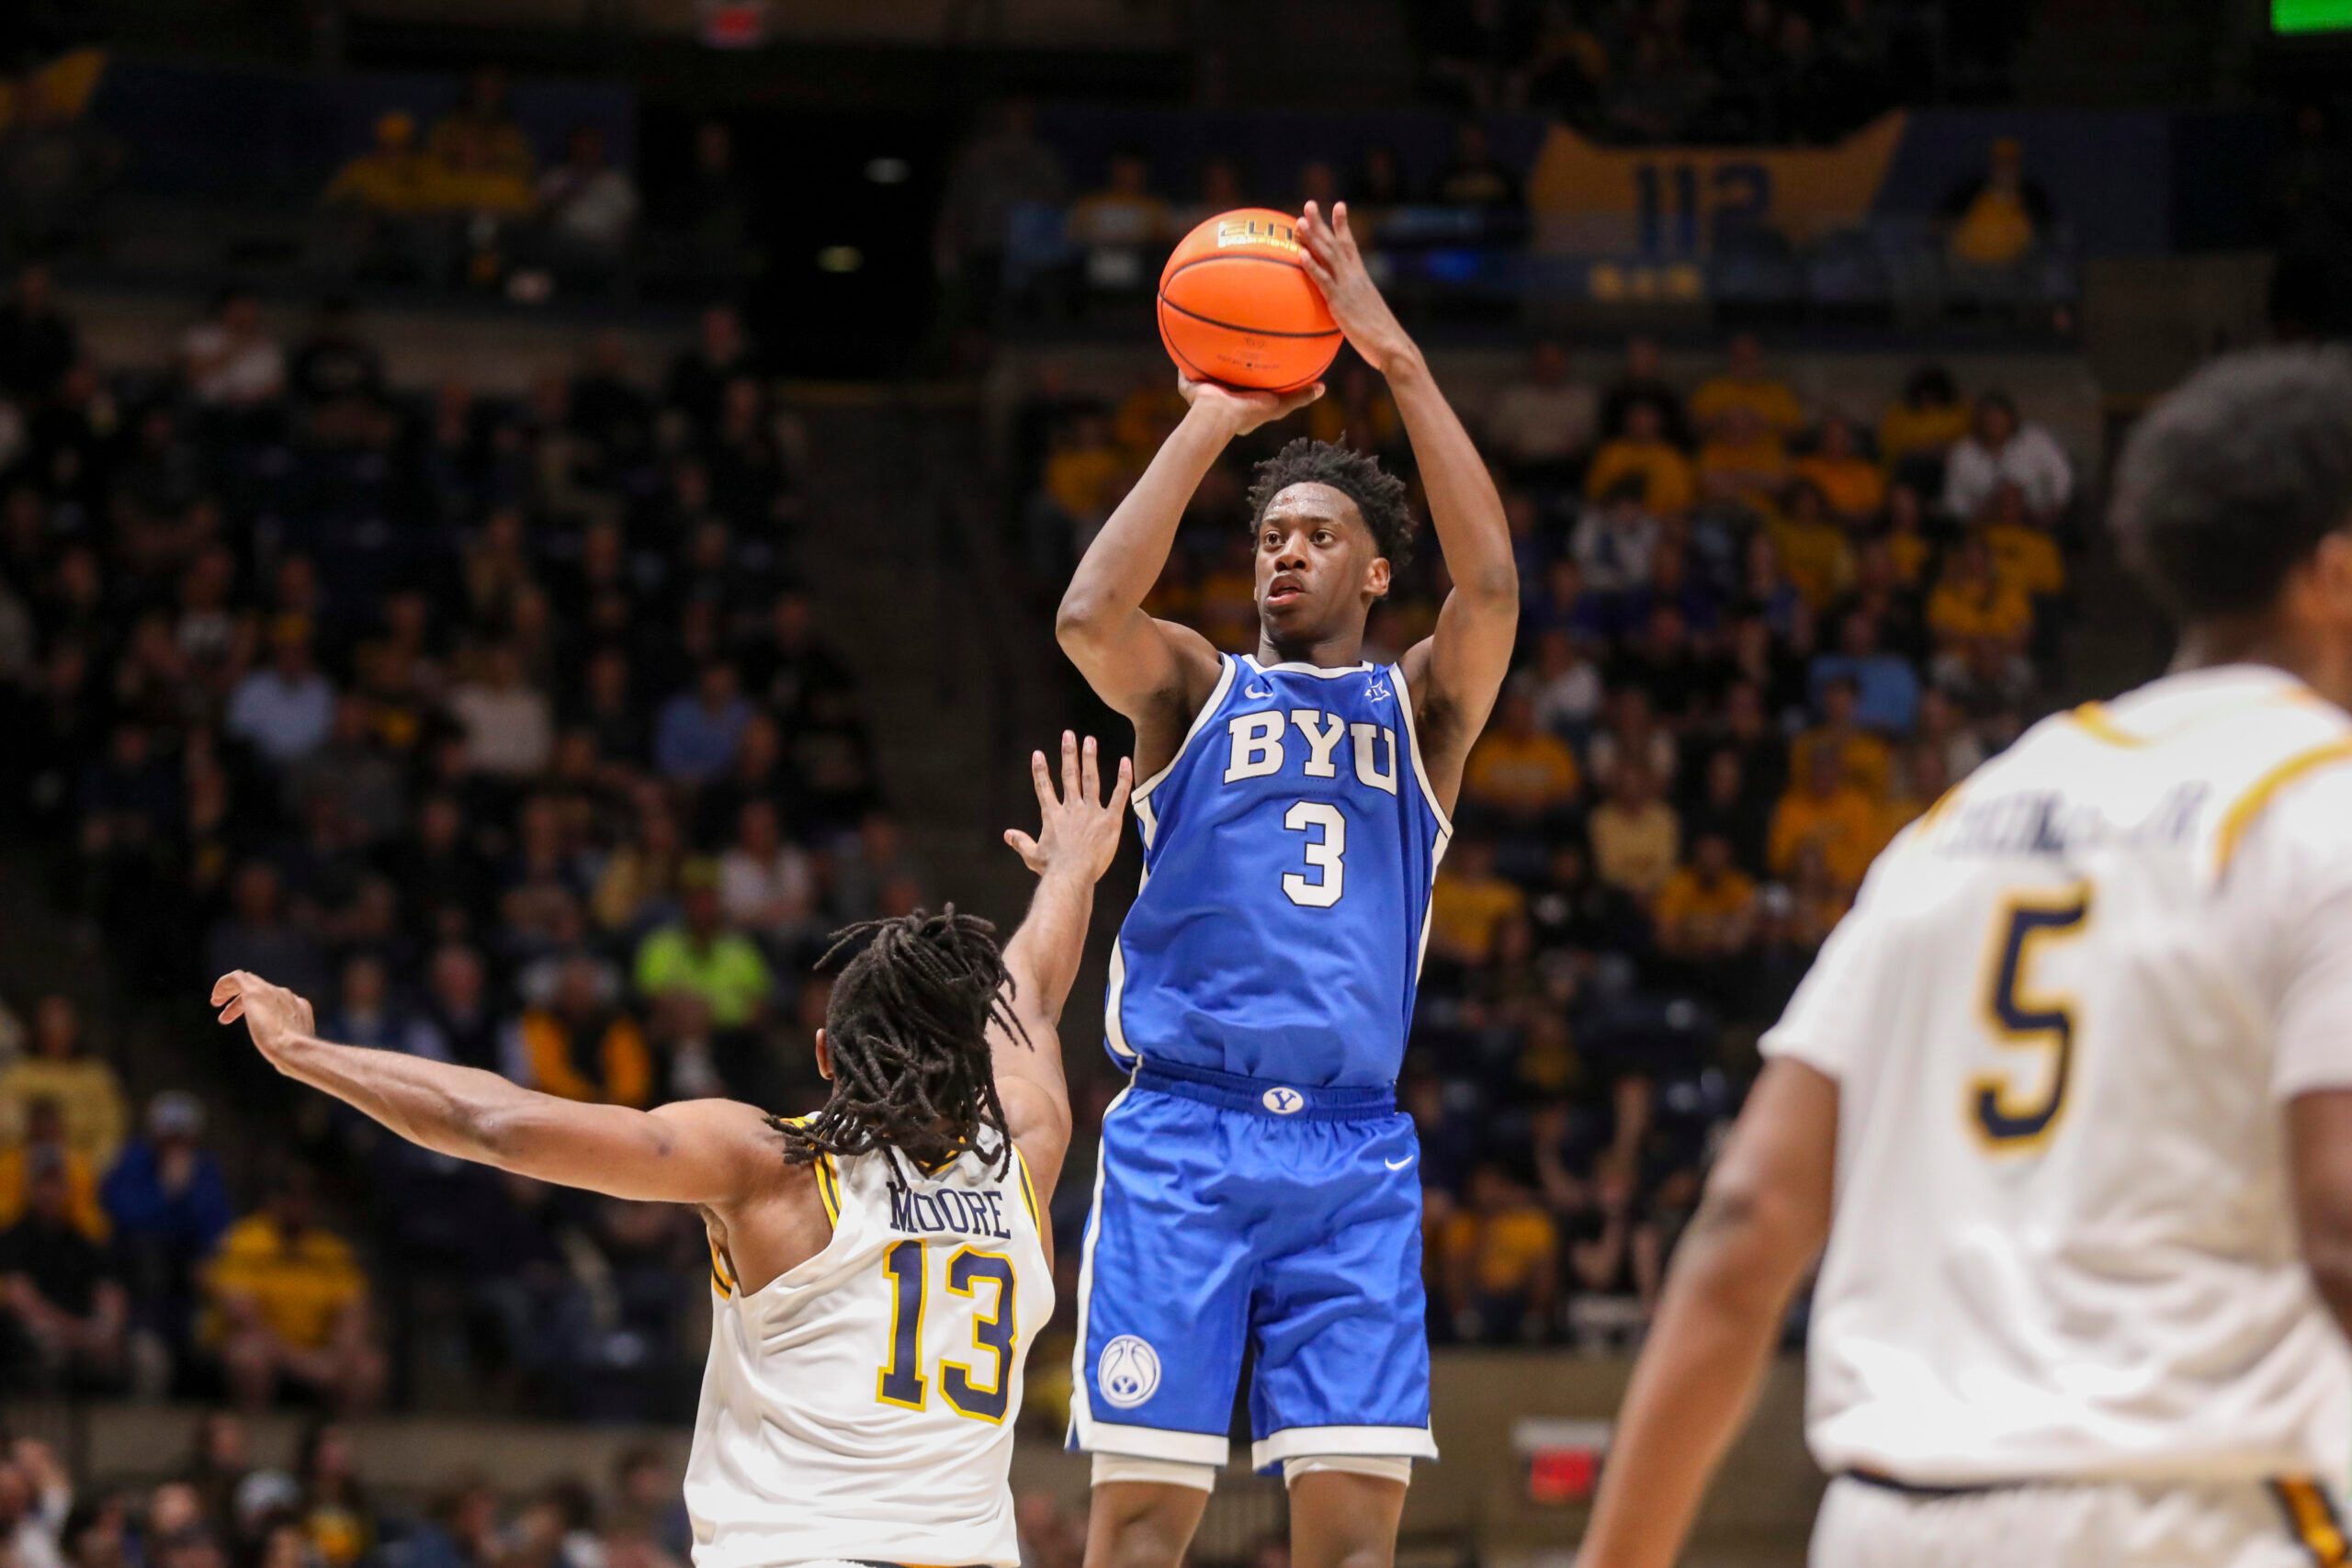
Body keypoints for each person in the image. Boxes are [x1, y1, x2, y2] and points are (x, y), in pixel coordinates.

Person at [1577, 346, 2352, 1567]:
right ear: (2334, 572)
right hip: (2190, 1509)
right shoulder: (2324, 808)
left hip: (1891, 1519)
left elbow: (1745, 1218)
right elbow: (2341, 1219)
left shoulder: (1965, 817)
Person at [212, 728, 1127, 1568]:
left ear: (824, 1054)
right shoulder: (1023, 1155)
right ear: (974, 1057)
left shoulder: (778, 1168)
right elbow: (1034, 997)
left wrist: (307, 1054)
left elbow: (497, 1123)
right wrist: (1071, 872)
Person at [1054, 201, 1516, 1565]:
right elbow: (1086, 617)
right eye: (1269, 535)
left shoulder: (1419, 709)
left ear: (1374, 571)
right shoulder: (1195, 689)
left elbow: (1492, 587)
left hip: (1350, 1144)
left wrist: (1399, 359)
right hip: (1182, 1132)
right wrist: (1210, 418)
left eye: (1316, 535)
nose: (1285, 550)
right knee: (1142, 1526)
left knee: (1357, 1540)